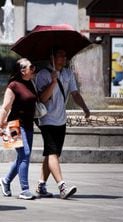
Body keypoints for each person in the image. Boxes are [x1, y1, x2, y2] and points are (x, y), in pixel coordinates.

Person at [34, 48, 90, 199]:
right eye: (60, 55)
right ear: (52, 57)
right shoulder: (43, 75)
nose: (64, 58)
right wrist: (52, 82)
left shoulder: (67, 73)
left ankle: (40, 185)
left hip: (61, 119)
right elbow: (42, 99)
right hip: (46, 120)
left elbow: (75, 93)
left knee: (53, 153)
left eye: (65, 55)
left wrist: (84, 107)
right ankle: (62, 187)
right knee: (52, 153)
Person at [0, 58, 37, 200]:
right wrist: (0, 125)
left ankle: (6, 181)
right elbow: (5, 107)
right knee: (25, 154)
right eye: (30, 67)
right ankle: (24, 190)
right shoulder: (13, 85)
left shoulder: (31, 83)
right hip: (13, 125)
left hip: (28, 125)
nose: (33, 69)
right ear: (22, 70)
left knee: (23, 156)